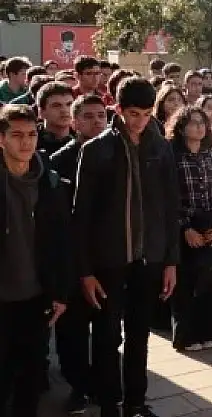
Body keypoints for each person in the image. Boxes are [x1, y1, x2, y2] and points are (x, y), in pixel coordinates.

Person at [73, 77, 180, 417]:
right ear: (118, 110)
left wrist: (170, 261)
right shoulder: (96, 150)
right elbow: (82, 216)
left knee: (139, 335)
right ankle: (109, 403)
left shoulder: (161, 147)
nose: (140, 121)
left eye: (147, 114)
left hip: (149, 258)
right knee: (106, 337)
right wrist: (85, 271)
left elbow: (170, 207)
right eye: (133, 113)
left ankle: (136, 401)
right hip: (108, 261)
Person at [0, 105, 69, 417]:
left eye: (31, 135)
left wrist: (58, 292)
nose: (25, 143)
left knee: (31, 378)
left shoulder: (47, 180)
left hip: (35, 295)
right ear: (1, 139)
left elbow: (57, 243)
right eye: (16, 135)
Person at [50, 94, 108, 415]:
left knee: (106, 329)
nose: (96, 122)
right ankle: (78, 386)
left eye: (101, 115)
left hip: (107, 256)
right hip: (72, 260)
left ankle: (103, 384)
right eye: (88, 116)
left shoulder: (117, 154)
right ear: (74, 122)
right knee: (72, 331)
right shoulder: (60, 160)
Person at [167, 106, 212, 352]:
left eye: (202, 123)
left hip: (211, 224)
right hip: (185, 227)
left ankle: (206, 332)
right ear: (181, 127)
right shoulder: (173, 158)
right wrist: (185, 228)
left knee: (208, 283)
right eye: (193, 123)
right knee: (185, 285)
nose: (199, 127)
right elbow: (169, 198)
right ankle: (185, 336)